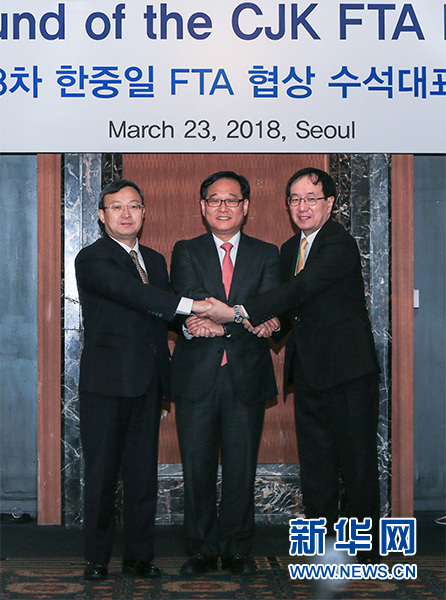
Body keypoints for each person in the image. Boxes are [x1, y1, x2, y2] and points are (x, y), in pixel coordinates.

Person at [198, 167, 381, 562]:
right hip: (308, 371)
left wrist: (238, 312)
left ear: (330, 204)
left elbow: (300, 289)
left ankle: (365, 551)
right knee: (316, 464)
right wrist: (271, 325)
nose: (302, 206)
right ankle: (322, 546)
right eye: (295, 199)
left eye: (311, 198)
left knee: (356, 463)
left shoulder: (338, 243)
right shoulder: (288, 249)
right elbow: (289, 309)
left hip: (348, 371)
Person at [75, 179, 209, 581]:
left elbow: (159, 315)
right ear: (102, 216)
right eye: (116, 207)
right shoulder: (92, 258)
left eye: (134, 206)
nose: (126, 214)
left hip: (148, 382)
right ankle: (97, 559)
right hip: (106, 384)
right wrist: (194, 307)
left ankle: (138, 557)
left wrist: (192, 327)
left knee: (142, 475)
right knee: (102, 475)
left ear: (144, 213)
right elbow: (133, 295)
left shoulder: (154, 259)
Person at [170, 171, 281, 576]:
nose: (223, 207)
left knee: (241, 468)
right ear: (203, 207)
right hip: (197, 375)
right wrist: (241, 317)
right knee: (196, 467)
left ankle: (236, 549)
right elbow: (191, 298)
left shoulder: (267, 253)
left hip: (245, 375)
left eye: (231, 200)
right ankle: (200, 549)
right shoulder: (186, 250)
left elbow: (268, 306)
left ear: (245, 207)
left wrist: (224, 323)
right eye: (214, 200)